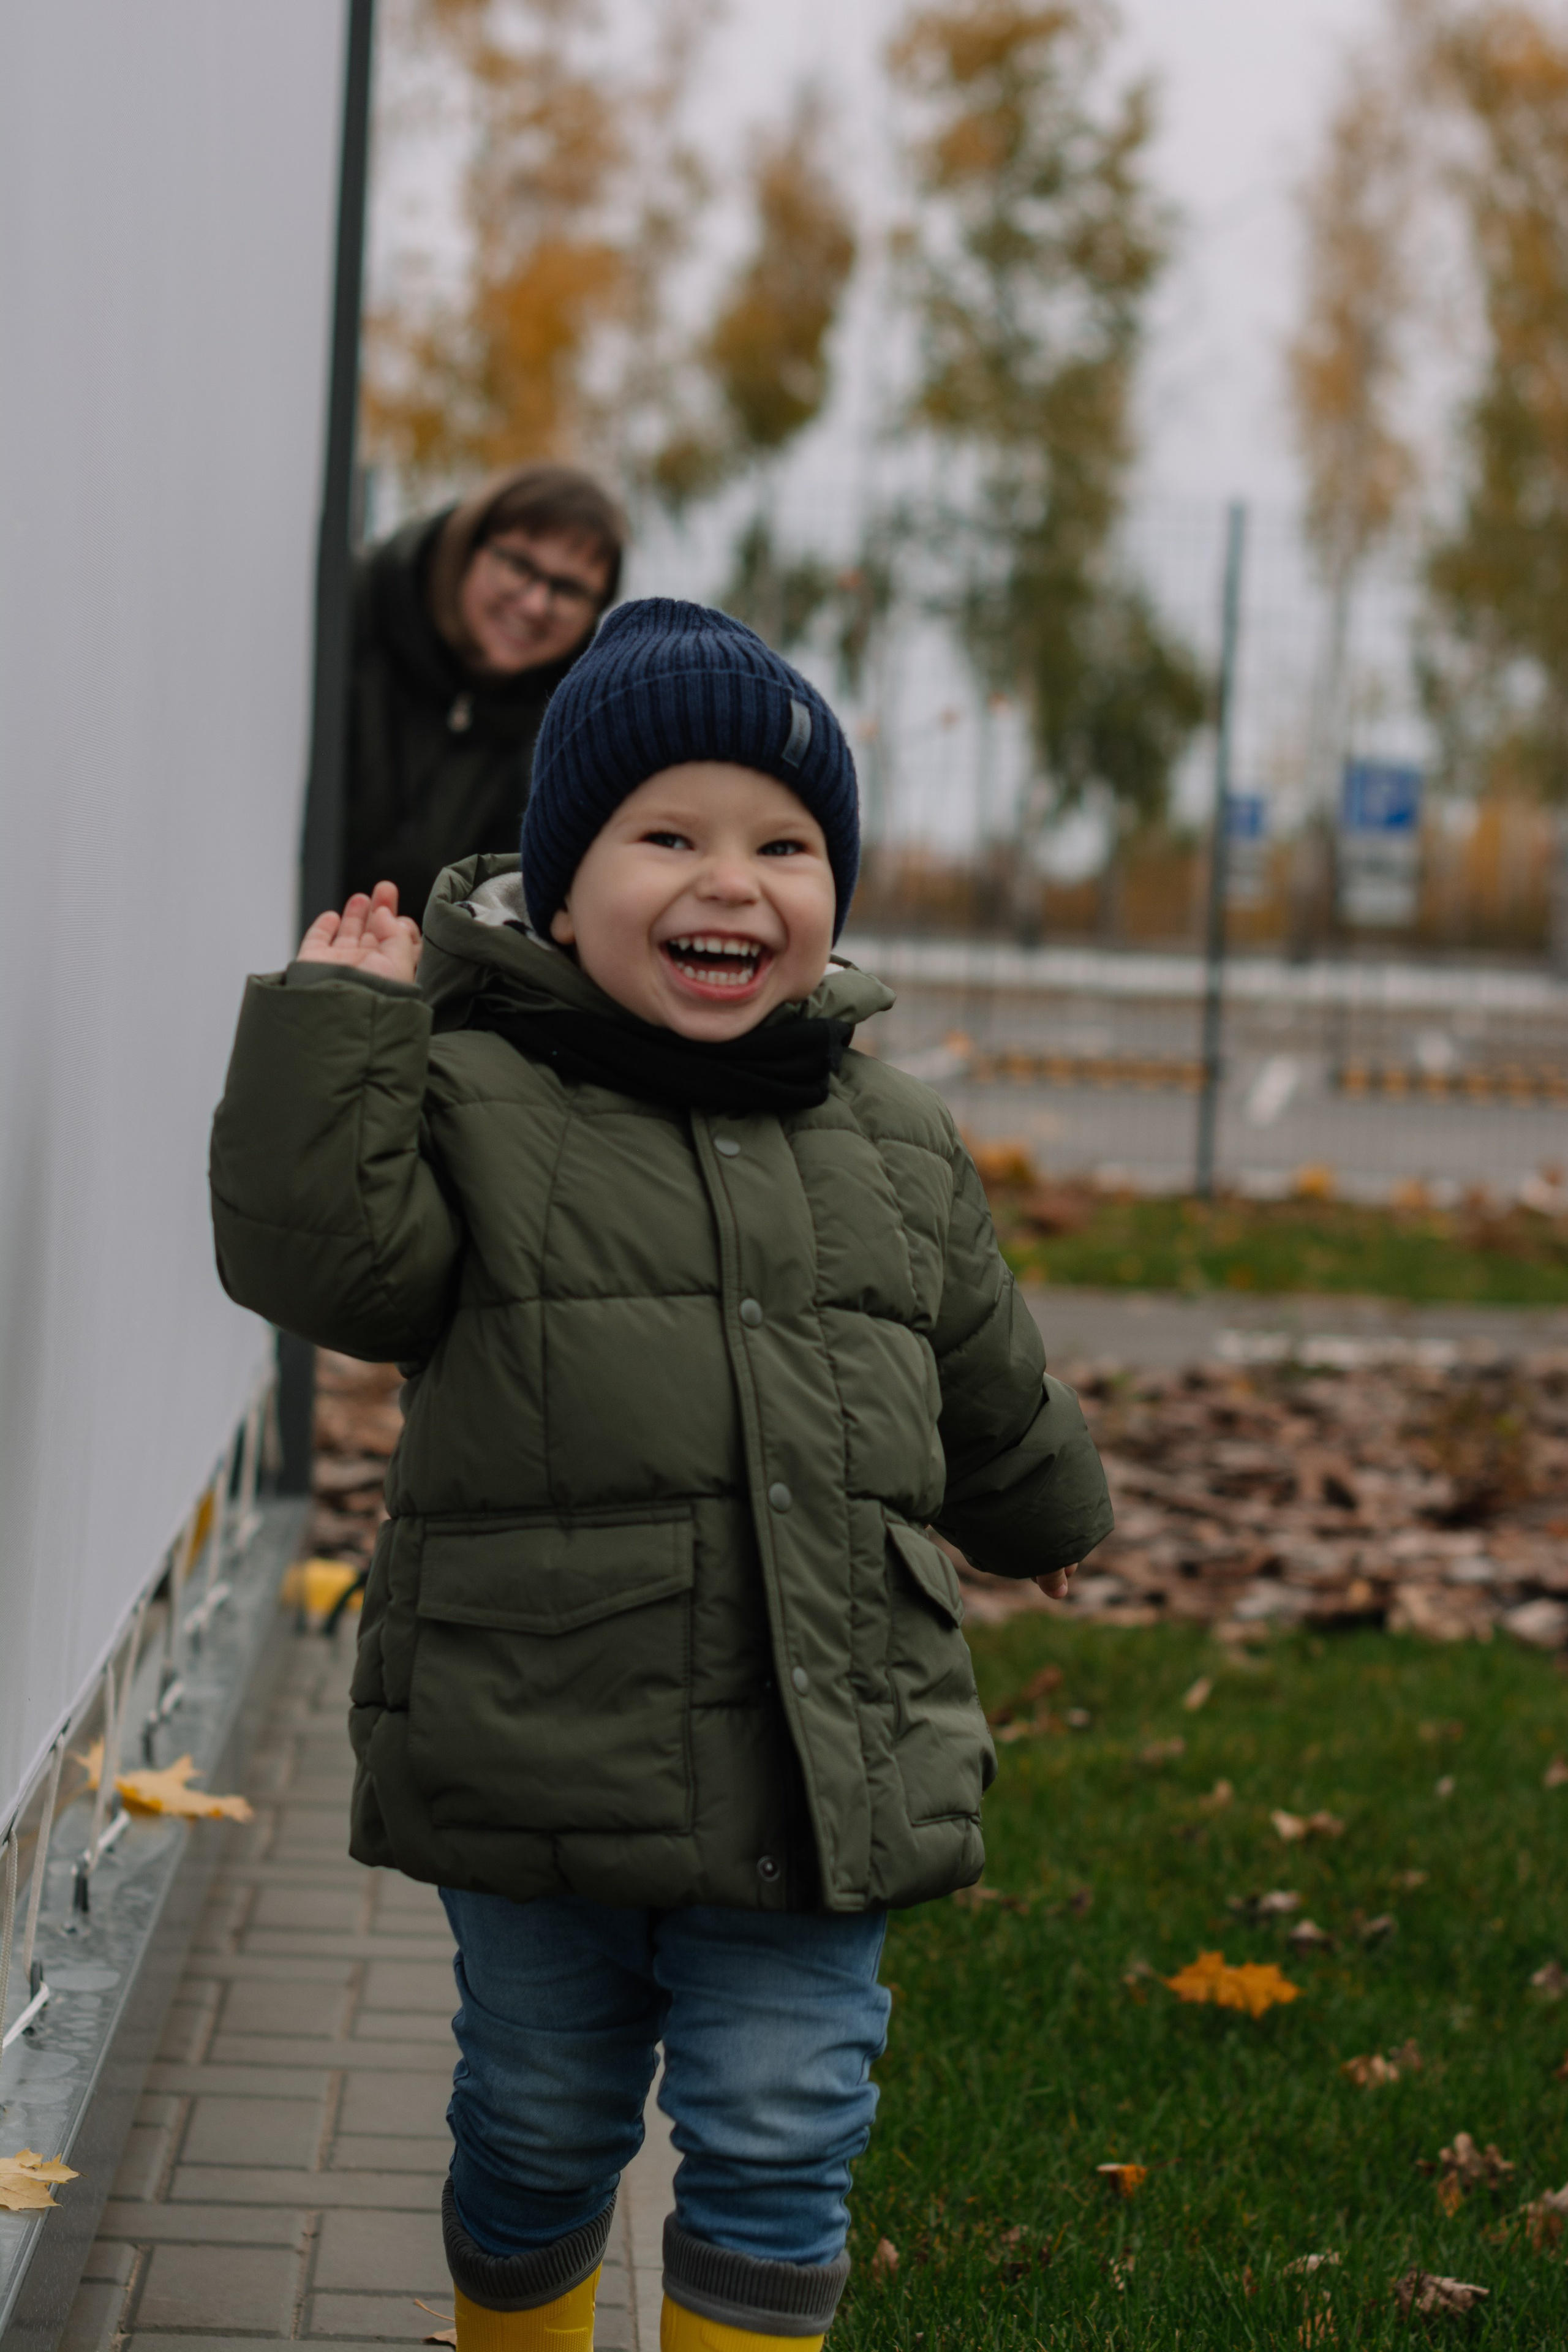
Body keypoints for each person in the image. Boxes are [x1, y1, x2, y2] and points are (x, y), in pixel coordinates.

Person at [209, 601, 1112, 2352]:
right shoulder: (470, 1098)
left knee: (787, 2132)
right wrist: (340, 1035)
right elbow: (330, 1270)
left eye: (786, 844)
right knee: (540, 2133)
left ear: (835, 890)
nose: (734, 882)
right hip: (545, 1742)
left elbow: (979, 1359)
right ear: (561, 889)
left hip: (815, 1757)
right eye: (669, 837)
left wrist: (1046, 1504)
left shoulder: (891, 1137)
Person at [343, 463, 626, 924]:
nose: (536, 604)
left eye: (569, 590)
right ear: (467, 548)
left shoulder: (564, 742)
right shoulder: (344, 616)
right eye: (519, 566)